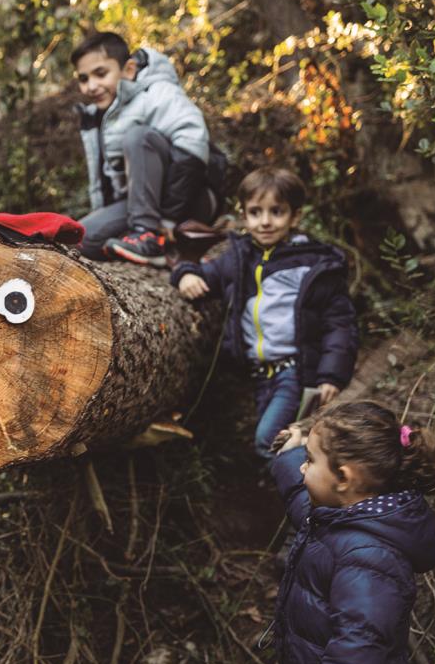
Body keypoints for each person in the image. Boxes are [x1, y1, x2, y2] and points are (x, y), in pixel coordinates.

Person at [266, 401, 435, 664]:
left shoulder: (369, 557)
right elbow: (300, 496)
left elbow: (359, 643)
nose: (305, 466)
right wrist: (293, 452)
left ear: (345, 478)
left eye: (311, 459)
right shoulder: (342, 515)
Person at [171, 166, 357, 459]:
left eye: (277, 212)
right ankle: (304, 488)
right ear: (243, 215)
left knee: (269, 440)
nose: (265, 222)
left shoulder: (312, 263)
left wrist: (331, 375)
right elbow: (204, 274)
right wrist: (184, 274)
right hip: (260, 374)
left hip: (295, 370)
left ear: (295, 216)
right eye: (256, 212)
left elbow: (340, 323)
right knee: (286, 440)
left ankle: (311, 496)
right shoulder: (240, 257)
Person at [72, 31, 221, 267]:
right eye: (83, 78)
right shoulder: (99, 117)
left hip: (190, 199)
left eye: (101, 74)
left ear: (128, 70)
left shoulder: (157, 93)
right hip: (143, 205)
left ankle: (149, 236)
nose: (92, 86)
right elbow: (104, 182)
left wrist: (170, 218)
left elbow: (192, 147)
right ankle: (152, 240)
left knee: (137, 137)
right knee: (79, 239)